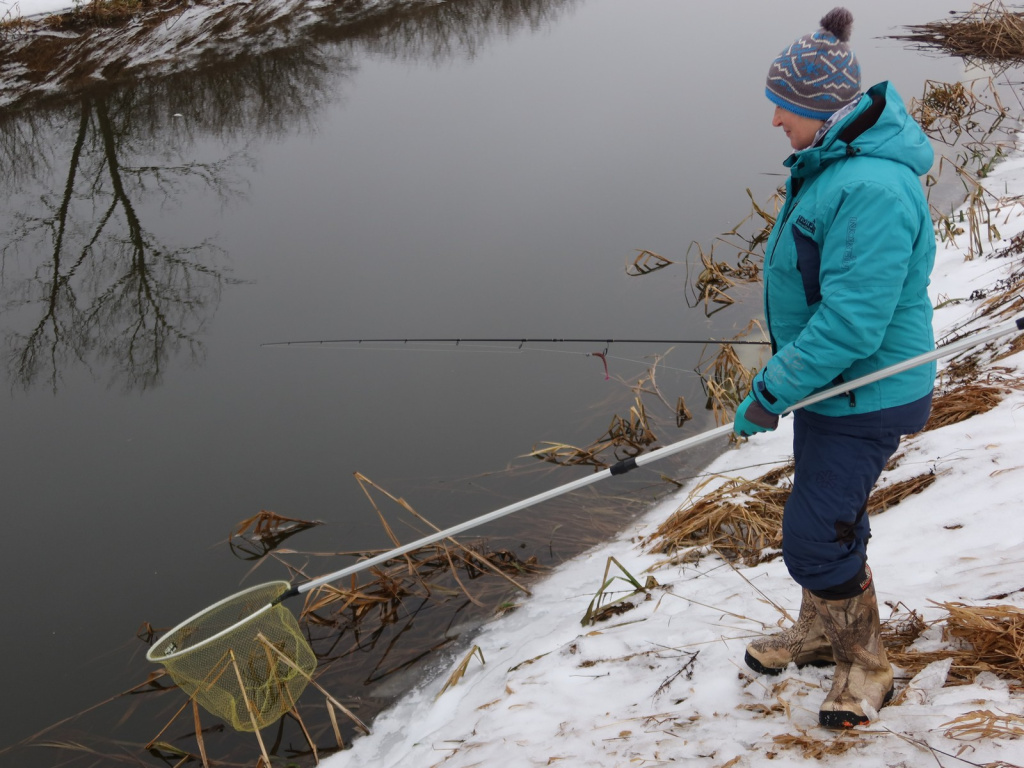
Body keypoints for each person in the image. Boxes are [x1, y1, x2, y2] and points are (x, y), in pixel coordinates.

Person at [732, 8, 936, 729]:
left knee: (815, 538)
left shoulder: (871, 190)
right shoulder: (834, 164)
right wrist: (792, 380)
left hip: (866, 394)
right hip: (835, 390)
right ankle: (822, 634)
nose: (776, 120)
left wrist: (770, 389)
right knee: (831, 516)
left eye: (783, 106)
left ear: (824, 109)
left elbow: (852, 322)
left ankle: (869, 665)